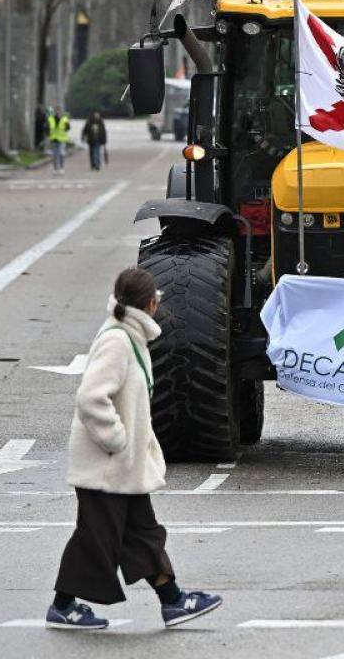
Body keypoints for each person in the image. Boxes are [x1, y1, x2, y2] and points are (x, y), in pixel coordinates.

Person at [47, 267, 222, 630]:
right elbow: (92, 397)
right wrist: (117, 440)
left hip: (123, 467)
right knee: (97, 538)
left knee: (143, 533)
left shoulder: (130, 335)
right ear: (151, 303)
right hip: (107, 466)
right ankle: (63, 605)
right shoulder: (118, 340)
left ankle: (173, 600)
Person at [47, 107, 72, 174]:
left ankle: (61, 168)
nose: (58, 113)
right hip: (54, 138)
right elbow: (47, 127)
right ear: (55, 112)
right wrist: (48, 133)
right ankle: (55, 169)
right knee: (54, 155)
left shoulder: (64, 119)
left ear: (61, 112)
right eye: (57, 111)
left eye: (59, 111)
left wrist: (66, 127)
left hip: (62, 139)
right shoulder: (51, 119)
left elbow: (68, 127)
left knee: (61, 153)